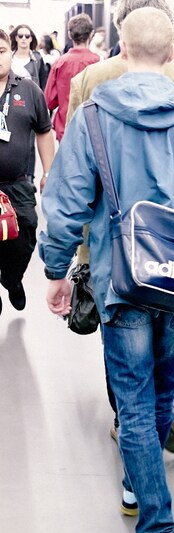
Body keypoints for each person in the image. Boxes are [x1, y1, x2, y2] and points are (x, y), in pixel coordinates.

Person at [39, 7, 174, 533]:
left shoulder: (94, 116)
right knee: (160, 397)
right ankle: (138, 481)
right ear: (172, 53)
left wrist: (55, 271)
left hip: (122, 281)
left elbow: (66, 202)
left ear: (121, 51)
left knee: (132, 402)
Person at [66, 0, 174, 450]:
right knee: (172, 328)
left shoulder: (91, 80)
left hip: (111, 240)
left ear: (121, 30)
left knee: (119, 335)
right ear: (169, 35)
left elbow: (76, 173)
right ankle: (167, 409)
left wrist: (73, 251)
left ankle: (127, 417)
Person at [0, 29, 55, 317]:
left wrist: (48, 172)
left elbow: (44, 131)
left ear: (10, 53)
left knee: (24, 239)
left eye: (0, 51)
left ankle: (12, 278)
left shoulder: (29, 89)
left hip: (18, 184)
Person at [44, 14, 99, 141]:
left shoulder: (59, 63)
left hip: (65, 127)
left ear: (69, 34)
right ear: (91, 34)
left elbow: (49, 101)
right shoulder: (99, 62)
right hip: (93, 128)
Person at [10, 24, 48, 90]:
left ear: (31, 39)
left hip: (32, 95)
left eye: (27, 36)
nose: (23, 38)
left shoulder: (37, 59)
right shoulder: (9, 58)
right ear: (16, 38)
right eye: (20, 36)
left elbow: (43, 84)